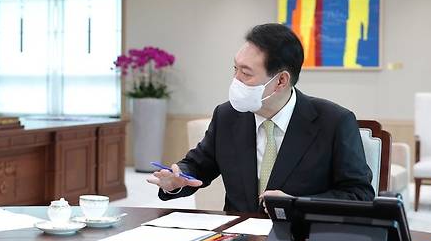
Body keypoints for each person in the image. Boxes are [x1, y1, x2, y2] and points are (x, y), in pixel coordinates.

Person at [148, 23, 374, 213]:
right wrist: (176, 181)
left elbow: (358, 194)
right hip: (237, 240)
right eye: (235, 69)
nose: (235, 80)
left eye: (246, 73)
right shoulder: (227, 116)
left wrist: (299, 205)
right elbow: (198, 166)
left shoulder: (334, 122)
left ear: (281, 81)